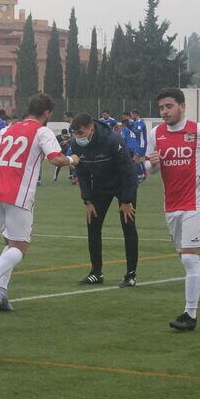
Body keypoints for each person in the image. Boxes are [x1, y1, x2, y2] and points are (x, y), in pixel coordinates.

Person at [0, 93, 79, 312]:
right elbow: (55, 159)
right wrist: (72, 160)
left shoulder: (7, 129)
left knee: (10, 243)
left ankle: (1, 292)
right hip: (18, 196)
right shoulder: (42, 131)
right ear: (47, 113)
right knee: (20, 248)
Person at [144, 88, 200, 331]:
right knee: (187, 258)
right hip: (171, 204)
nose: (164, 112)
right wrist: (151, 165)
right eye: (161, 107)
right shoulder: (155, 133)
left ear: (182, 106)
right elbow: (150, 168)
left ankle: (189, 314)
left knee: (190, 258)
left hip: (196, 202)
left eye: (169, 106)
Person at [70, 113, 140, 287]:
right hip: (100, 186)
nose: (78, 137)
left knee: (128, 224)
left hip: (122, 184)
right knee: (92, 224)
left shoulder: (112, 140)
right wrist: (87, 200)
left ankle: (130, 274)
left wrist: (127, 200)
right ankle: (96, 272)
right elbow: (82, 173)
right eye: (75, 133)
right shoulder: (76, 145)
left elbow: (129, 171)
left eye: (80, 133)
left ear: (91, 129)